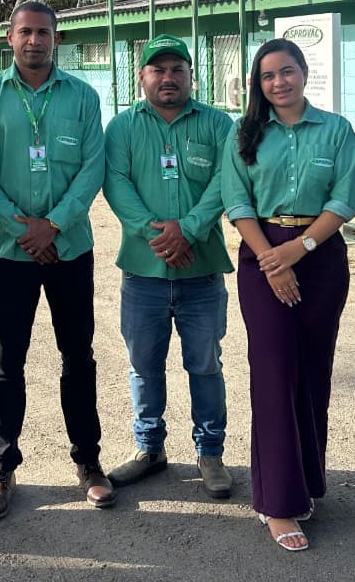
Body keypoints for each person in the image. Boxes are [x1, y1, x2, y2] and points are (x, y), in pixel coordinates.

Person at [0, 0, 112, 520]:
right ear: (10, 37)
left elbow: (93, 167)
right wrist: (21, 228)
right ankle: (2, 467)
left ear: (56, 38)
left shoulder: (83, 97)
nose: (34, 41)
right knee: (8, 364)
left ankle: (89, 463)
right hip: (8, 253)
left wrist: (53, 224)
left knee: (79, 357)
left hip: (70, 249)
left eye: (43, 32)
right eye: (25, 32)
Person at [220, 38, 355, 553]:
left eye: (287, 72)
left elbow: (345, 198)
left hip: (319, 254)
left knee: (314, 371)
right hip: (262, 254)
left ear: (304, 72)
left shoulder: (337, 130)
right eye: (267, 76)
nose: (278, 82)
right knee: (275, 373)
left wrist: (299, 250)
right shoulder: (245, 133)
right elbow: (236, 201)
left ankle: (307, 485)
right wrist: (270, 260)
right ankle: (277, 502)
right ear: (258, 85)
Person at [102, 34, 235, 498]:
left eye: (177, 69)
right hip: (143, 272)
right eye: (157, 70)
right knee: (144, 366)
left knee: (205, 364)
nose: (168, 78)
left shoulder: (219, 126)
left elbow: (225, 182)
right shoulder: (121, 128)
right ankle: (149, 449)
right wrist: (156, 234)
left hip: (202, 271)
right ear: (142, 77)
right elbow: (116, 184)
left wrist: (190, 229)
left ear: (190, 76)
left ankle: (210, 453)